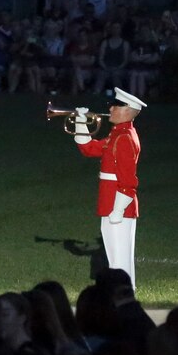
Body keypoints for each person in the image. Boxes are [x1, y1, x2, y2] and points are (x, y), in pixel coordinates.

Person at [71, 87, 147, 288]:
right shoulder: (118, 134)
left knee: (120, 258)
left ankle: (123, 293)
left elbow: (129, 179)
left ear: (127, 111)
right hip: (110, 202)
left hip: (118, 205)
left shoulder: (124, 138)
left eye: (117, 105)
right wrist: (80, 121)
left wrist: (119, 209)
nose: (111, 108)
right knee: (114, 256)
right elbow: (89, 149)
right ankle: (119, 292)